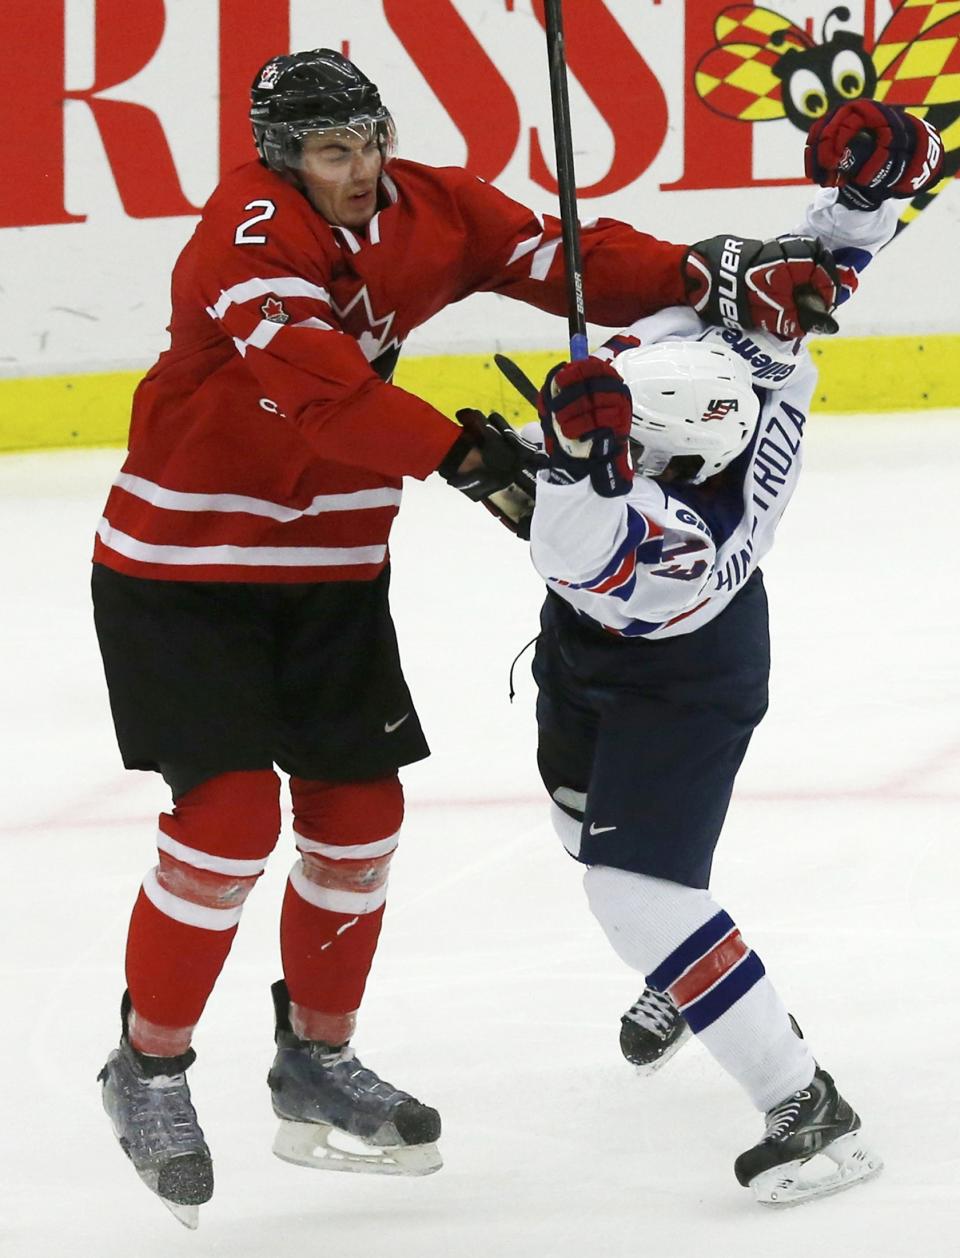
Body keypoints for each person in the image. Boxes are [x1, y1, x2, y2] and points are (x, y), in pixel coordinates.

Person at [91, 47, 846, 1227]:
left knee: (360, 820)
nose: (360, 169)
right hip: (186, 567)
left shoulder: (427, 206)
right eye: (332, 152)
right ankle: (150, 1063)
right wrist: (462, 453)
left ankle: (317, 1057)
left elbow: (567, 256)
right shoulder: (242, 238)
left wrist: (703, 275)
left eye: (369, 142)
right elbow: (322, 387)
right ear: (283, 159)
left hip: (333, 566)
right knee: (228, 822)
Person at [525, 100, 943, 1205]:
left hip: (683, 669)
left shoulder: (679, 542)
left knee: (631, 891)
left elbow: (572, 545)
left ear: (659, 454)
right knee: (576, 820)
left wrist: (565, 463)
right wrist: (865, 198)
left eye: (629, 441)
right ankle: (695, 965)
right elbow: (811, 278)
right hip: (591, 644)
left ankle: (806, 1104)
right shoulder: (730, 373)